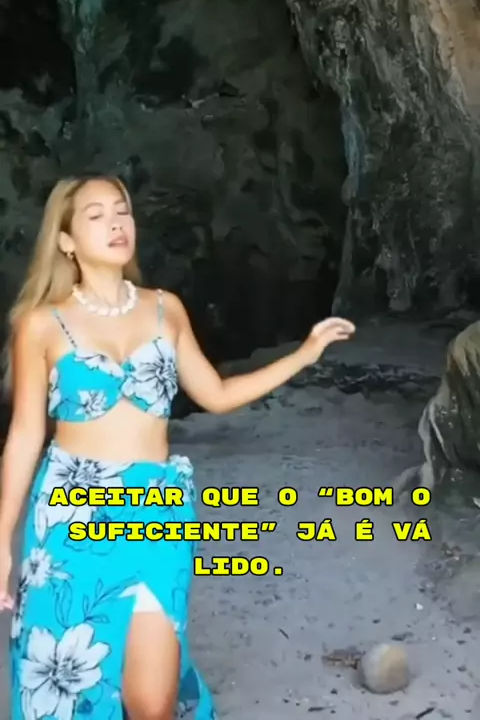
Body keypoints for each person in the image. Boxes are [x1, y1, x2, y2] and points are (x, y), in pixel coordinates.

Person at [0, 174, 355, 720]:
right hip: (71, 517)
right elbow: (26, 434)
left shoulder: (166, 309)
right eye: (96, 216)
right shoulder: (41, 323)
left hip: (154, 507)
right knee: (74, 689)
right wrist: (2, 538)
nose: (116, 224)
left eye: (122, 211)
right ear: (66, 240)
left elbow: (216, 394)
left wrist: (304, 354)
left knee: (152, 703)